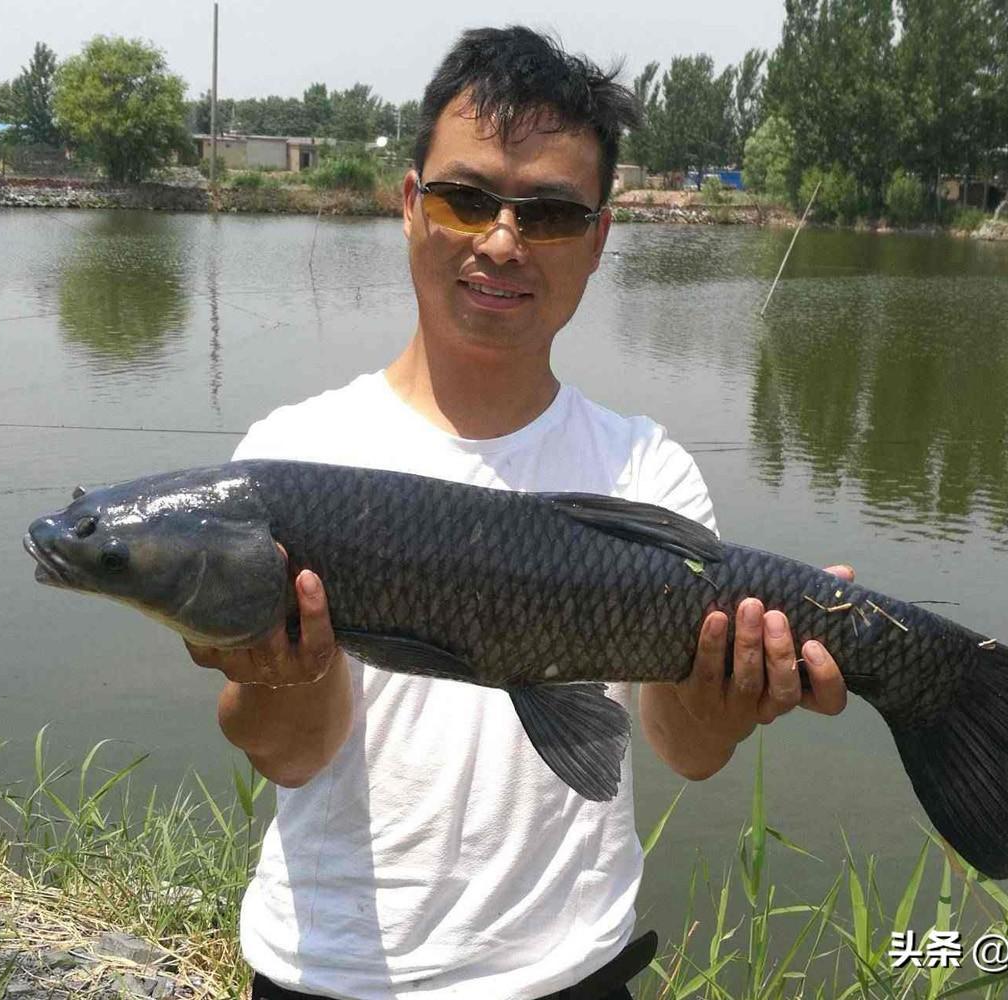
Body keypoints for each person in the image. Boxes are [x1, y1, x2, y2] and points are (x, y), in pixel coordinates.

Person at [186, 27, 852, 1000]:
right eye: (467, 198)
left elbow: (687, 746)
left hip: (570, 971)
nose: (501, 240)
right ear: (411, 206)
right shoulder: (292, 458)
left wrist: (730, 691)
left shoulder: (645, 469)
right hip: (328, 972)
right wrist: (277, 673)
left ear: (597, 240)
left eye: (546, 213)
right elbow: (291, 749)